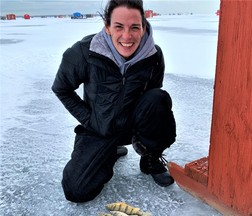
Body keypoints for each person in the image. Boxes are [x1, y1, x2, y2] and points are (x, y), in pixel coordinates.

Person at [51, 0, 176, 203]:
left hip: (132, 124)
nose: (127, 36)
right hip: (99, 127)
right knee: (76, 190)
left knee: (157, 99)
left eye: (134, 27)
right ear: (107, 27)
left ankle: (150, 157)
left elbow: (152, 99)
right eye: (119, 26)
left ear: (143, 28)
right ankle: (109, 151)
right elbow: (61, 89)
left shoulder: (154, 55)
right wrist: (90, 120)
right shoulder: (84, 52)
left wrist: (150, 140)